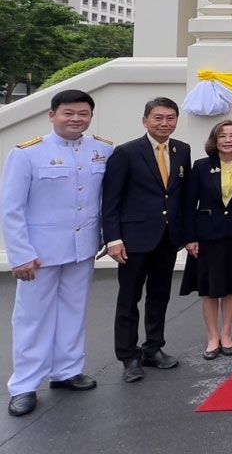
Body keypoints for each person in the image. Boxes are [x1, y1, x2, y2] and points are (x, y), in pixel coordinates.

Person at [2, 90, 112, 417]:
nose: (75, 119)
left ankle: (66, 370)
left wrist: (107, 238)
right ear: (52, 115)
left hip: (82, 248)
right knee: (32, 318)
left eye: (83, 113)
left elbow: (107, 201)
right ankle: (24, 384)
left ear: (91, 116)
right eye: (68, 113)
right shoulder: (27, 154)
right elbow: (11, 209)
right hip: (40, 252)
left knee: (74, 311)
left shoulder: (103, 150)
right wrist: (20, 254)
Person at [102, 97, 191, 383]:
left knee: (159, 296)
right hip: (134, 240)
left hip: (167, 238)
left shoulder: (182, 150)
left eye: (170, 118)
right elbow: (111, 201)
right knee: (129, 299)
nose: (165, 123)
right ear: (145, 121)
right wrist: (113, 239)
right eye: (158, 118)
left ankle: (153, 348)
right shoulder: (126, 153)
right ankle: (129, 357)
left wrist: (186, 235)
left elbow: (180, 196)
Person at [179, 121, 232, 359]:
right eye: (222, 136)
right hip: (207, 235)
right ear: (214, 140)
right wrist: (190, 238)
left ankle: (226, 334)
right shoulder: (202, 166)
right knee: (210, 290)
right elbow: (189, 204)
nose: (227, 140)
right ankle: (212, 337)